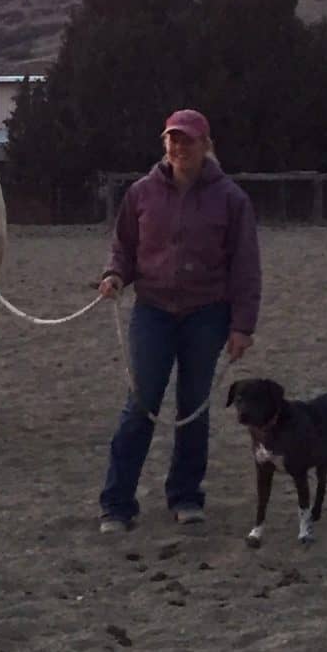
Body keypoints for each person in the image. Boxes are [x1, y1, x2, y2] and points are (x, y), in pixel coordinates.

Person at [97, 108, 262, 533]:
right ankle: (117, 503)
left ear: (205, 145)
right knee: (141, 403)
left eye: (187, 140)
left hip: (206, 315)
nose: (178, 147)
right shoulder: (141, 193)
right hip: (152, 311)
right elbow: (124, 247)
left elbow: (245, 266)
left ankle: (186, 495)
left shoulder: (231, 200)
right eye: (172, 138)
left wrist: (242, 325)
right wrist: (114, 275)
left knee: (194, 407)